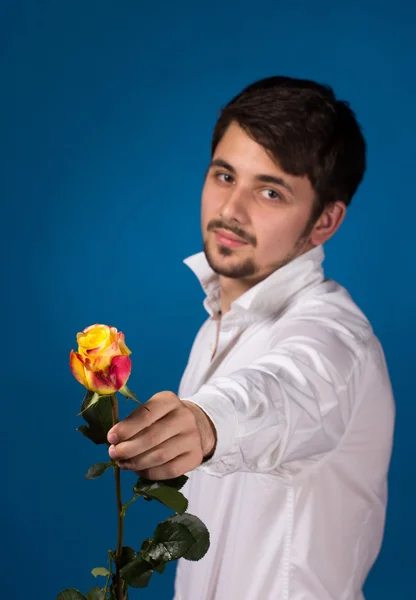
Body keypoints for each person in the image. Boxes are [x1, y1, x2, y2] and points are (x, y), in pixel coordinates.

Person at [107, 76, 396, 600]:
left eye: (270, 191)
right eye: (224, 176)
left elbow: (285, 391)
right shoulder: (217, 323)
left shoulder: (337, 341)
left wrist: (207, 420)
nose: (231, 211)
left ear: (324, 221)